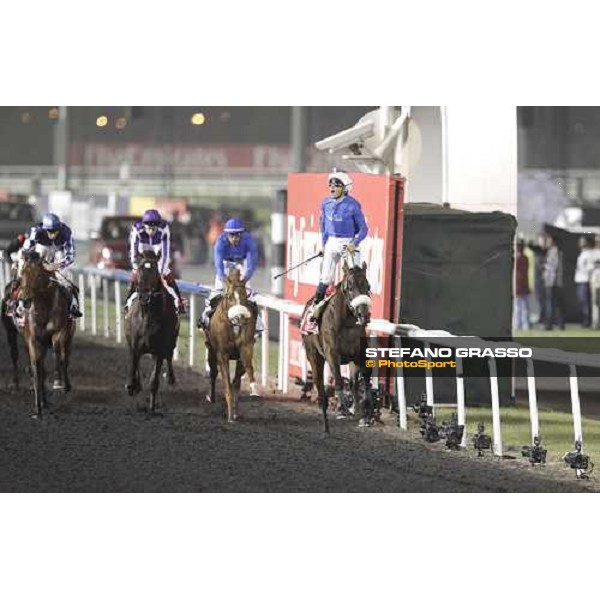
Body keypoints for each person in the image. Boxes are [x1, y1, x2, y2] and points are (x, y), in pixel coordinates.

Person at [312, 170, 368, 312]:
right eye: (330, 184)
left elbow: (364, 229)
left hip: (348, 242)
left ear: (345, 188)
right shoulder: (325, 203)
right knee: (325, 277)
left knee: (354, 277)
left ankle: (361, 310)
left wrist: (354, 243)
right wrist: (324, 246)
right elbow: (323, 226)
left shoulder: (353, 205)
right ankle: (314, 309)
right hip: (331, 242)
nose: (332, 187)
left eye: (336, 185)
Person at [199, 218, 264, 335]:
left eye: (237, 235)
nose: (234, 238)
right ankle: (205, 317)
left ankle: (257, 324)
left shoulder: (249, 241)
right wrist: (225, 281)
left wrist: (244, 280)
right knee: (217, 291)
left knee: (249, 293)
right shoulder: (220, 241)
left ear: (242, 233)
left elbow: (251, 265)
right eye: (231, 235)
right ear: (226, 234)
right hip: (225, 263)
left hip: (242, 264)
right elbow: (219, 266)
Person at [20, 213, 82, 318]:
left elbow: (70, 255)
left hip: (59, 250)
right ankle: (19, 303)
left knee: (65, 276)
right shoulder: (37, 230)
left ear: (59, 227)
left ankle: (73, 306)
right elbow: (25, 250)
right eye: (50, 231)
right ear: (44, 229)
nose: (53, 234)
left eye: (55, 230)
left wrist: (58, 265)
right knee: (27, 272)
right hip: (42, 248)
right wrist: (39, 262)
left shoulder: (66, 232)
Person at [125, 209, 186, 314]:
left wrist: (161, 272)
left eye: (154, 225)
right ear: (144, 223)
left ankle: (179, 301)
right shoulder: (136, 228)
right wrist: (136, 267)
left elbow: (166, 253)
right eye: (148, 224)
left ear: (158, 224)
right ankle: (127, 303)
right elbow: (133, 252)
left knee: (167, 274)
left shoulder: (164, 228)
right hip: (143, 251)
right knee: (135, 276)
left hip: (157, 251)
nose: (151, 227)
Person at [543, 234, 565, 330]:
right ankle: (560, 324)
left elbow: (553, 267)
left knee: (551, 303)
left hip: (552, 281)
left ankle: (550, 324)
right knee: (556, 303)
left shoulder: (554, 251)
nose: (547, 242)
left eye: (549, 240)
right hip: (553, 281)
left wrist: (545, 269)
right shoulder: (555, 251)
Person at [574, 236, 596, 328]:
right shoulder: (582, 253)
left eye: (583, 242)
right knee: (582, 301)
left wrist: (585, 269)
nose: (581, 244)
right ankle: (584, 320)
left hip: (585, 280)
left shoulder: (589, 253)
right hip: (579, 279)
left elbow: (590, 266)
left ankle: (587, 321)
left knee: (585, 302)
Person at [528, 233, 548, 325]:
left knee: (545, 299)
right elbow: (530, 246)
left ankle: (545, 317)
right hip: (537, 279)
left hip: (546, 280)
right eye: (541, 240)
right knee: (539, 298)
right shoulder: (537, 250)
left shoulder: (548, 251)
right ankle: (542, 316)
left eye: (544, 240)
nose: (542, 242)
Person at [514, 239, 530, 330]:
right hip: (523, 284)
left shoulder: (518, 259)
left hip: (518, 284)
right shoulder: (525, 258)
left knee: (518, 307)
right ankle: (524, 324)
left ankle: (519, 324)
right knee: (524, 306)